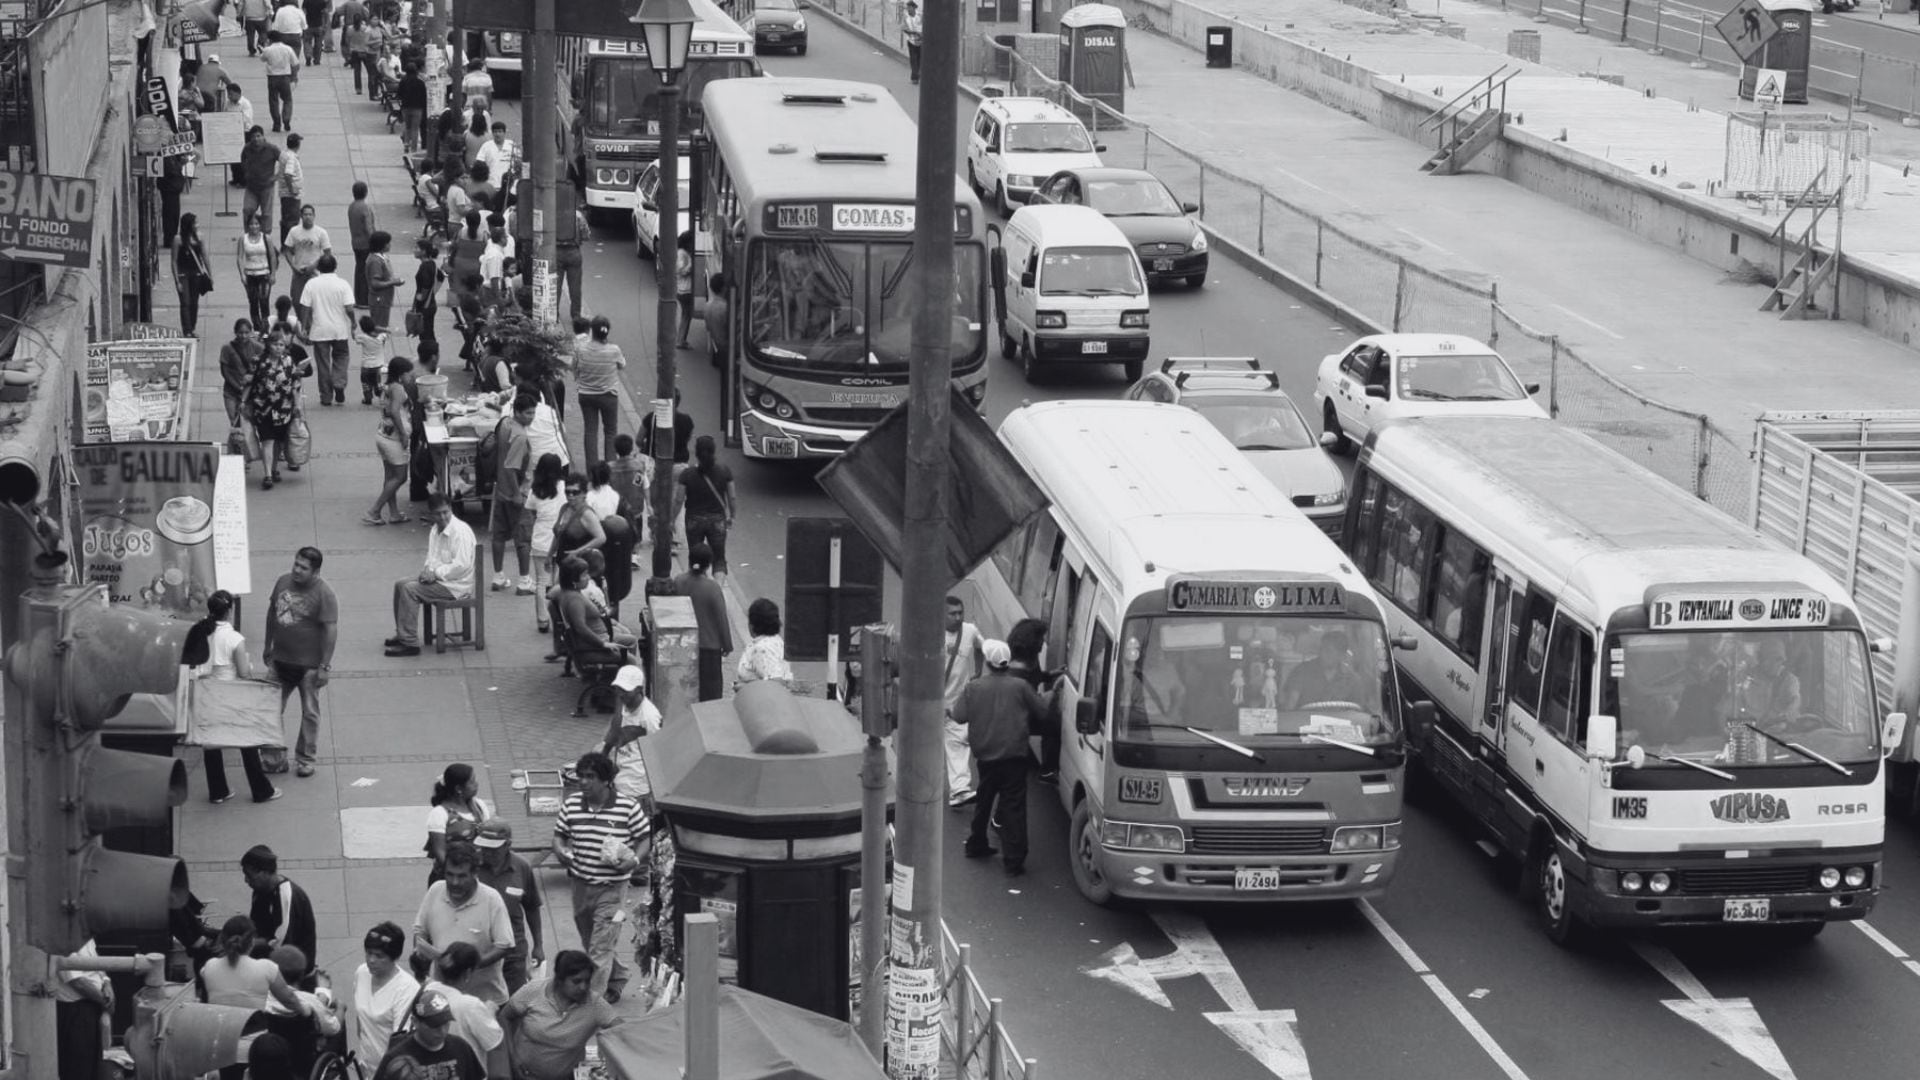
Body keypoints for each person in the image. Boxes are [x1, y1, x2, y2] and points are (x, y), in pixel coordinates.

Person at [552, 752, 647, 1003]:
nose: (583, 782)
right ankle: (618, 977)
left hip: (613, 890)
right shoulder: (572, 805)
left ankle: (590, 1004)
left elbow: (644, 838)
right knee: (591, 942)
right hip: (580, 885)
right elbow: (559, 835)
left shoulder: (627, 807)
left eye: (590, 777)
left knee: (599, 948)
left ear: (605, 780)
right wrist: (561, 851)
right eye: (581, 776)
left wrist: (634, 860)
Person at [954, 639, 1052, 876]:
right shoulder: (1020, 686)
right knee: (1014, 807)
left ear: (988, 662)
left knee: (984, 800)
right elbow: (1042, 712)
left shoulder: (974, 687)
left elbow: (959, 716)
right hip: (1014, 757)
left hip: (986, 758)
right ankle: (1014, 858)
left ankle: (976, 843)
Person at [411, 841, 517, 1006]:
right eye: (450, 874)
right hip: (442, 1000)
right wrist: (421, 950)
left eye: (461, 876)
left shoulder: (491, 899)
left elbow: (504, 946)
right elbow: (420, 930)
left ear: (475, 872)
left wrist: (468, 965)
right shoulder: (435, 891)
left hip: (485, 1001)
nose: (454, 882)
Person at [264, 547, 338, 778]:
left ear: (315, 571)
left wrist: (324, 666)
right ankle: (273, 758)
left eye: (303, 567)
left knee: (310, 713)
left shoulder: (325, 593)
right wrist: (268, 646)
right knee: (269, 710)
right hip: (279, 661)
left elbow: (330, 630)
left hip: (308, 667)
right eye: (295, 564)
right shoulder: (282, 582)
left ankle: (305, 759)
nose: (296, 570)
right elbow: (271, 613)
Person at [498, 951, 625, 1080]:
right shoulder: (533, 991)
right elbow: (505, 1017)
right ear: (559, 980)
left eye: (587, 981)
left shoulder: (594, 1004)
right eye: (577, 981)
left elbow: (623, 1030)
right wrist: (511, 1057)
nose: (583, 987)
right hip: (522, 1075)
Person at [386, 495, 476, 658]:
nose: (442, 517)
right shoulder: (435, 530)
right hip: (440, 580)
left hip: (455, 585)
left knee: (410, 589)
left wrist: (435, 574)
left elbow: (461, 566)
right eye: (438, 514)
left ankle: (410, 642)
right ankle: (402, 633)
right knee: (400, 584)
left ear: (451, 509)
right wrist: (427, 571)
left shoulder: (460, 532)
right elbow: (432, 556)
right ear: (431, 514)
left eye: (445, 512)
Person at [473, 820, 545, 994]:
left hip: (513, 953)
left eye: (493, 848)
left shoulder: (522, 867)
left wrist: (538, 945)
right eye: (484, 847)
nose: (487, 852)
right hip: (480, 952)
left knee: (514, 1004)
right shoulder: (471, 867)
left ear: (508, 845)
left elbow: (532, 908)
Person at [420, 944, 508, 1078]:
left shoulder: (428, 990)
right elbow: (495, 1043)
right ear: (467, 973)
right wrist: (490, 1012)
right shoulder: (470, 1006)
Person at [200, 915, 309, 1015]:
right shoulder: (267, 968)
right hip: (253, 1033)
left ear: (222, 940)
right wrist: (307, 1012)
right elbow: (289, 1000)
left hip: (218, 1033)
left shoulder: (209, 967)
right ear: (252, 942)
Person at [351, 922, 419, 1068]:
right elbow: (361, 1020)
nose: (371, 960)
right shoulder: (361, 973)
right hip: (367, 1067)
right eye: (368, 953)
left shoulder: (406, 989)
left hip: (391, 1071)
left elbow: (401, 1044)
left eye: (379, 956)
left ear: (395, 957)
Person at [242, 845, 317, 974]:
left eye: (249, 875)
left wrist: (246, 944)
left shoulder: (287, 895)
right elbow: (255, 929)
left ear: (264, 872)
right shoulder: (259, 892)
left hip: (295, 975)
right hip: (271, 969)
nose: (246, 880)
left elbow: (280, 942)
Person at [244, 329, 305, 488]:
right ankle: (268, 475)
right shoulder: (258, 361)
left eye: (282, 345)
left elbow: (295, 384)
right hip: (263, 408)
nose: (279, 348)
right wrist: (243, 401)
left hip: (284, 408)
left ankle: (274, 468)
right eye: (276, 344)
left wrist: (298, 405)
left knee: (279, 440)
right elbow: (248, 382)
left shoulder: (288, 361)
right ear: (268, 345)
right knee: (267, 440)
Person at [376, 991, 485, 1080]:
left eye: (446, 1023)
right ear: (415, 1022)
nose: (442, 1031)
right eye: (434, 1026)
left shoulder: (461, 1047)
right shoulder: (395, 1058)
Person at [941, 594, 985, 807]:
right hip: (929, 703)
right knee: (921, 747)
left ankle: (959, 790)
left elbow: (980, 648)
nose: (957, 617)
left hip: (956, 703)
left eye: (960, 613)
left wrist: (978, 670)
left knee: (957, 741)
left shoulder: (970, 631)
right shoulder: (930, 634)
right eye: (952, 613)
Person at [675, 543, 732, 702]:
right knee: (710, 696)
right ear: (709, 564)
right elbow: (721, 619)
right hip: (709, 647)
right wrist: (727, 645)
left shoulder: (678, 582)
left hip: (684, 644)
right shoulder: (712, 588)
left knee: (685, 692)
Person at [1006, 617, 1059, 781]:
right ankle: (1047, 771)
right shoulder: (1017, 672)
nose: (1044, 643)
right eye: (1042, 639)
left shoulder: (1031, 660)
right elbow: (1038, 706)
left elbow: (1035, 677)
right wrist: (1054, 691)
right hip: (1017, 718)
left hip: (1025, 710)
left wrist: (1050, 675)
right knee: (1053, 726)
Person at [53, 939, 112, 1080]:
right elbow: (77, 982)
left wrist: (106, 982)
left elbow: (98, 963)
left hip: (92, 1005)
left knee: (93, 1063)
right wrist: (105, 1002)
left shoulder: (86, 935)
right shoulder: (62, 939)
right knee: (77, 1067)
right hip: (75, 1011)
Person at [366, 355, 414, 525]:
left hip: (383, 436)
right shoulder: (399, 389)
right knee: (400, 477)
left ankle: (394, 513)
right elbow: (394, 411)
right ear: (401, 374)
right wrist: (403, 434)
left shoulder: (387, 387)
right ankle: (375, 510)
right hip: (394, 440)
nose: (411, 377)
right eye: (409, 374)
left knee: (390, 477)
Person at [604, 665, 662, 807]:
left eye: (625, 691)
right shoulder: (623, 704)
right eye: (618, 690)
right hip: (619, 777)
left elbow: (657, 752)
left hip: (636, 785)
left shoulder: (649, 717)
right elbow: (613, 734)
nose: (620, 694)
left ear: (639, 690)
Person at [677, 435, 735, 576]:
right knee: (719, 558)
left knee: (695, 556)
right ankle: (718, 589)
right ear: (714, 451)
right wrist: (732, 516)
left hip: (693, 520)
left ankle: (697, 585)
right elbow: (732, 497)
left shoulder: (687, 474)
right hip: (717, 520)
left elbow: (678, 500)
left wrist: (672, 520)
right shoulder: (724, 471)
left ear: (696, 453)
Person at [573, 316, 625, 465]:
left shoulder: (580, 348)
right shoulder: (614, 350)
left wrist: (579, 380)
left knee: (590, 431)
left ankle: (592, 469)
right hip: (609, 396)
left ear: (591, 331)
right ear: (607, 332)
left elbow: (574, 367)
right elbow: (622, 365)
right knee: (610, 432)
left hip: (586, 395)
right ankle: (611, 466)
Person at [425, 762, 493, 879]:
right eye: (472, 782)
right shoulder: (440, 813)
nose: (476, 784)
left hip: (479, 874)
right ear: (459, 789)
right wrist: (457, 874)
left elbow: (488, 836)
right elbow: (439, 852)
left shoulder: (479, 806)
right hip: (449, 878)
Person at [305, 254, 356, 405]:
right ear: (335, 267)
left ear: (319, 268)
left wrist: (304, 326)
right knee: (341, 357)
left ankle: (326, 396)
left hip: (319, 330)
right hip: (339, 330)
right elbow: (349, 308)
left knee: (323, 364)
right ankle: (339, 383)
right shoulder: (343, 284)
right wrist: (353, 322)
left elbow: (305, 307)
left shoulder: (312, 284)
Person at [526, 453, 566, 631]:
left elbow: (532, 513)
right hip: (560, 539)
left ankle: (542, 620)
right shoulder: (564, 488)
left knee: (540, 582)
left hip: (540, 540)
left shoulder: (534, 491)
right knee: (559, 581)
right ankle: (559, 616)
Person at [1282, 631, 1367, 709]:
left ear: (1341, 655)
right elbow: (1290, 704)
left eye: (1328, 651)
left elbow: (1358, 711)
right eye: (1321, 649)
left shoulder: (1353, 680)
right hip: (1304, 723)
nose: (1322, 654)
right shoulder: (1301, 672)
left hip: (1340, 725)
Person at [281, 203, 332, 329]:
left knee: (314, 303)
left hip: (314, 273)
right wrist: (293, 266)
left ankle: (312, 327)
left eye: (310, 214)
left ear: (314, 216)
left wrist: (315, 265)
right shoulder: (294, 231)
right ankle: (304, 326)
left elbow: (327, 253)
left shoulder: (321, 233)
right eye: (305, 214)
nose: (308, 217)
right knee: (297, 301)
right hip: (298, 272)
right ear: (301, 216)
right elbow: (287, 250)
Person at [1739, 638, 1802, 724]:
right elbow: (1724, 711)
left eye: (1778, 660)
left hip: (1781, 734)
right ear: (1760, 659)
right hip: (1749, 732)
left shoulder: (1790, 680)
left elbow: (1794, 702)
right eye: (1770, 659)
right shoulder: (1746, 678)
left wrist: (1786, 717)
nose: (1775, 663)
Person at [235, 212, 279, 332]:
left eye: (256, 224)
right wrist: (242, 275)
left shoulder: (266, 238)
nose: (254, 226)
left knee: (264, 302)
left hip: (264, 275)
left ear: (260, 225)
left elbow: (272, 256)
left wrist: (273, 274)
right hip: (250, 275)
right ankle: (257, 329)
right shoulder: (243, 239)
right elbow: (239, 257)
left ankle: (265, 330)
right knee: (253, 302)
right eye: (251, 224)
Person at [737, 598, 793, 687]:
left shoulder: (762, 648)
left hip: (762, 700)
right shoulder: (777, 641)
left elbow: (775, 683)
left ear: (752, 625)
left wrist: (743, 687)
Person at [173, 212, 213, 336]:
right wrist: (177, 281)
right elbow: (174, 261)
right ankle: (187, 330)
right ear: (188, 225)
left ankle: (192, 327)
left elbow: (205, 257)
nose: (197, 225)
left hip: (196, 273)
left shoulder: (199, 237)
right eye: (195, 223)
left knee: (194, 302)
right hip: (183, 273)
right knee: (185, 302)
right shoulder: (178, 239)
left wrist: (210, 275)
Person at [219, 320, 261, 430]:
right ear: (235, 332)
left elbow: (263, 369)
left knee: (249, 425)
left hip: (250, 394)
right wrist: (237, 386)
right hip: (231, 393)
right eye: (240, 333)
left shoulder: (257, 348)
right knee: (235, 424)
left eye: (247, 333)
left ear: (251, 332)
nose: (243, 336)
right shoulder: (227, 348)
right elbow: (225, 371)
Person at [240, 124, 283, 227]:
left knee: (266, 214)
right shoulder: (247, 148)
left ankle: (266, 237)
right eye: (253, 137)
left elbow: (285, 161)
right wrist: (246, 174)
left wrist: (276, 176)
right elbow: (243, 160)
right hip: (251, 188)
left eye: (258, 136)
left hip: (266, 188)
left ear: (263, 136)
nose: (256, 139)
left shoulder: (272, 149)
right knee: (247, 210)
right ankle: (248, 236)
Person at [349, 181, 378, 308]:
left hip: (355, 242)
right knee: (366, 272)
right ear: (365, 192)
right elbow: (368, 227)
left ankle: (359, 298)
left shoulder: (352, 206)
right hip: (366, 244)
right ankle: (364, 300)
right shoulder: (365, 207)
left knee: (359, 269)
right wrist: (376, 241)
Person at [366, 230, 399, 330]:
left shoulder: (382, 257)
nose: (389, 245)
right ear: (381, 245)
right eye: (388, 243)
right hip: (379, 300)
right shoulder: (375, 261)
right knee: (380, 328)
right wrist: (393, 282)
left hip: (384, 299)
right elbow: (375, 283)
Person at [411, 235, 442, 345]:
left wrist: (422, 296)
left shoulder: (425, 267)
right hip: (430, 304)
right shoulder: (431, 263)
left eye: (417, 248)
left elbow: (426, 284)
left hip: (425, 306)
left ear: (424, 252)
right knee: (427, 332)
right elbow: (440, 277)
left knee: (426, 334)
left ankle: (430, 354)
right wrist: (433, 293)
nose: (414, 250)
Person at [277, 133, 305, 243]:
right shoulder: (292, 158)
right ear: (297, 144)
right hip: (291, 195)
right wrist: (292, 189)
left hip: (284, 193)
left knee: (285, 219)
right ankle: (289, 245)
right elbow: (288, 174)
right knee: (292, 221)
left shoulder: (284, 154)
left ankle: (284, 243)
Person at [474, 119, 516, 189]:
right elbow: (479, 162)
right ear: (492, 133)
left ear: (504, 133)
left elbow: (518, 163)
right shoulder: (486, 146)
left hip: (509, 185)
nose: (497, 134)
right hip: (491, 184)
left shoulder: (511, 145)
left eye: (500, 131)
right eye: (495, 132)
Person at [398, 61, 428, 152]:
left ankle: (406, 145)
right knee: (415, 129)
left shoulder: (403, 81)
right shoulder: (420, 83)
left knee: (408, 127)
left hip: (405, 107)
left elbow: (399, 94)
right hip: (417, 108)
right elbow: (424, 97)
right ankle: (413, 149)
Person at [674, 230, 697, 348]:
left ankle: (681, 339)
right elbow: (681, 271)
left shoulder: (680, 252)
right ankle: (681, 341)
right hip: (685, 289)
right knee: (686, 315)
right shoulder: (682, 254)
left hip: (681, 289)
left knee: (685, 315)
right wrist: (692, 265)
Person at [705, 273, 729, 365]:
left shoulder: (707, 306)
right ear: (723, 288)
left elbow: (708, 328)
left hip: (716, 346)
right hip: (726, 349)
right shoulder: (725, 307)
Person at [902, 0, 923, 82]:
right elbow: (904, 28)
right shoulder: (906, 17)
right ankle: (914, 77)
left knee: (920, 59)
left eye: (910, 7)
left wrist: (922, 35)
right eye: (907, 8)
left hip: (921, 41)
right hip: (911, 41)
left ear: (914, 8)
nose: (908, 9)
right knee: (913, 59)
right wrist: (914, 32)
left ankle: (918, 73)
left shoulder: (920, 16)